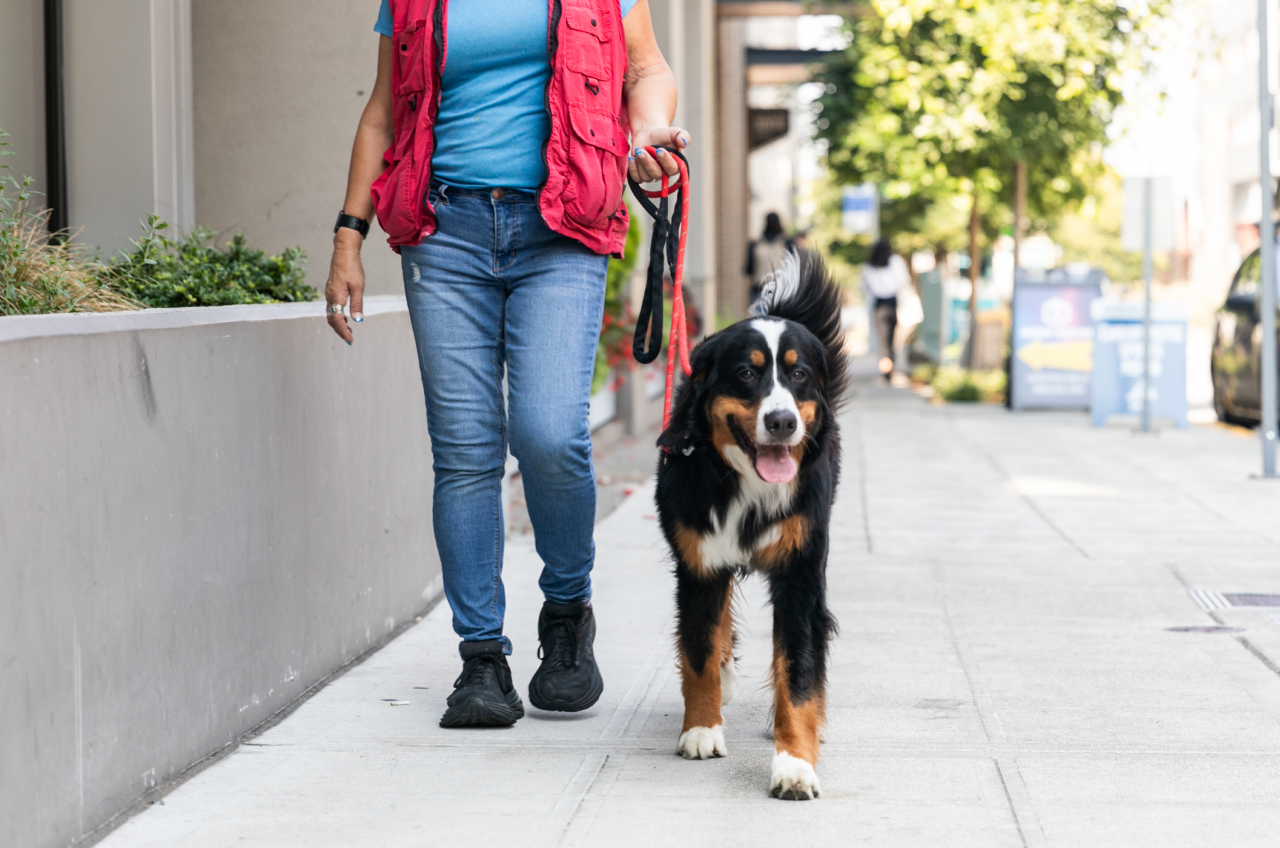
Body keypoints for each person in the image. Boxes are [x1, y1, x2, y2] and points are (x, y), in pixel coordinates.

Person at [324, 0, 686, 728]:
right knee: (464, 452)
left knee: (550, 432)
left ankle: (566, 613)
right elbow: (381, 114)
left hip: (562, 227)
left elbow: (646, 69)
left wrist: (647, 130)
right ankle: (481, 658)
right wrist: (347, 238)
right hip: (444, 232)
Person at [862, 238, 910, 379]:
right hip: (892, 302)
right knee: (891, 338)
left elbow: (865, 287)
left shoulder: (868, 266)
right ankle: (890, 367)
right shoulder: (896, 261)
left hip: (879, 304)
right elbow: (903, 281)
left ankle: (886, 369)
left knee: (883, 338)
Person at [745, 212, 794, 302]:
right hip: (781, 291)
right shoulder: (786, 244)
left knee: (759, 316)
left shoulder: (756, 245)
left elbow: (749, 270)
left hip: (760, 290)